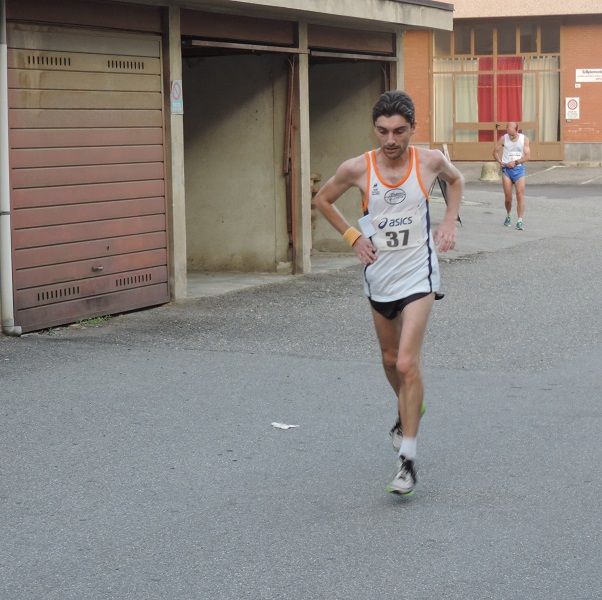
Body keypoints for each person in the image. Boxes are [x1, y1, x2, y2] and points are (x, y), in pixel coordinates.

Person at [313, 90, 463, 495]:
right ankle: (410, 404)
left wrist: (449, 221)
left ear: (412, 128)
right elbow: (323, 199)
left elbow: (456, 180)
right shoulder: (357, 168)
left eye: (399, 131)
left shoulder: (429, 161)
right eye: (383, 131)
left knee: (408, 363)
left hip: (419, 275)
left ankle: (407, 461)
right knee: (390, 359)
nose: (391, 139)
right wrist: (352, 237)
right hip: (379, 276)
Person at [493, 122, 530, 230]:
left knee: (520, 195)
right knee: (508, 198)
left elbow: (527, 156)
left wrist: (516, 162)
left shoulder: (524, 139)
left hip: (519, 170)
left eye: (511, 133)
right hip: (507, 171)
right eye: (508, 132)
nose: (510, 134)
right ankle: (508, 215)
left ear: (517, 130)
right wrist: (500, 162)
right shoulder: (503, 138)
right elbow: (494, 152)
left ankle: (520, 220)